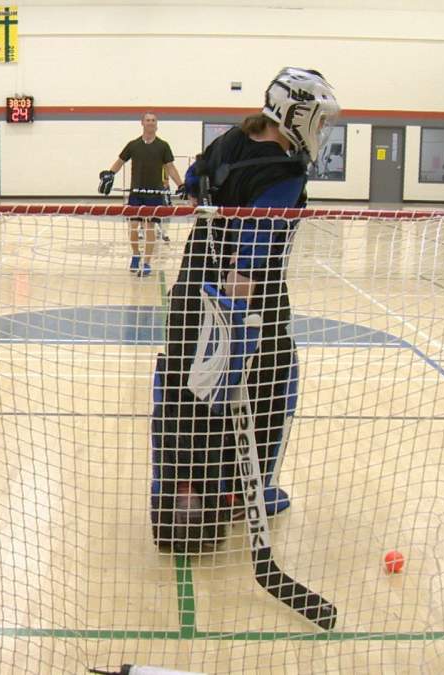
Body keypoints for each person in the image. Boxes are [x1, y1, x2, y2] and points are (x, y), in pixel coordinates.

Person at [150, 67, 339, 552]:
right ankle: (244, 490)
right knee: (274, 382)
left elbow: (191, 185)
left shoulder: (231, 138)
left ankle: (175, 495)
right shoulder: (284, 170)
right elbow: (250, 261)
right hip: (247, 298)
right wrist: (238, 327)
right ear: (295, 114)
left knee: (180, 387)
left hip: (191, 285)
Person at [99, 112, 184, 277]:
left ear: (156, 124)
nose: (151, 123)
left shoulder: (163, 146)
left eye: (153, 120)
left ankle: (146, 262)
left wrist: (180, 184)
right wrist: (110, 173)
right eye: (148, 120)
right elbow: (120, 161)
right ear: (142, 123)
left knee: (150, 227)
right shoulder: (133, 145)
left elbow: (170, 167)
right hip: (136, 193)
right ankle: (136, 254)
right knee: (133, 226)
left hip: (155, 194)